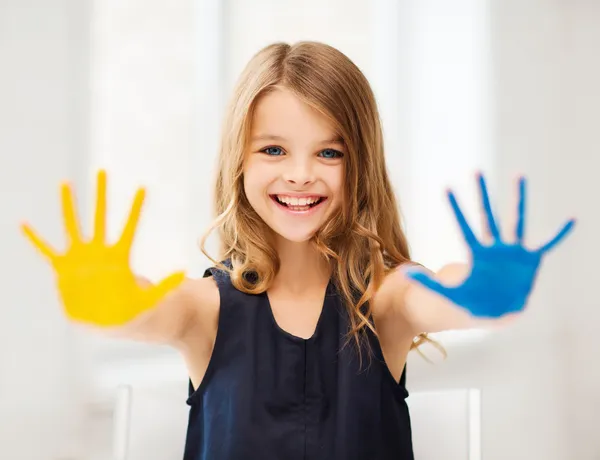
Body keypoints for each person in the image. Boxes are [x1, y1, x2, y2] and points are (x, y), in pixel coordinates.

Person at [21, 41, 575, 460]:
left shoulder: (385, 300)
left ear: (360, 163)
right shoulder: (205, 310)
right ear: (240, 161)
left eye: (329, 152)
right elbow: (151, 309)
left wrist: (482, 294)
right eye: (274, 149)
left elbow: (439, 295)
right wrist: (111, 301)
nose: (301, 175)